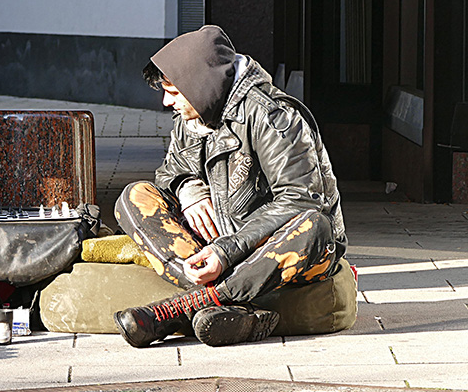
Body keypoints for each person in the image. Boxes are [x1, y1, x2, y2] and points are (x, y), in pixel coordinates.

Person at [114, 25, 347, 348]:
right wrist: (188, 191)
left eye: (173, 90)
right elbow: (169, 173)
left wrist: (228, 251)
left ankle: (185, 307)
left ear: (199, 84)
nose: (167, 102)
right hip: (219, 247)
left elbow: (302, 199)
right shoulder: (191, 115)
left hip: (274, 248)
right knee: (134, 197)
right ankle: (227, 307)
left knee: (315, 225)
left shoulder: (273, 115)